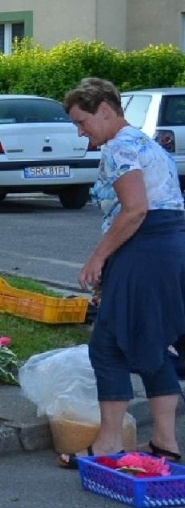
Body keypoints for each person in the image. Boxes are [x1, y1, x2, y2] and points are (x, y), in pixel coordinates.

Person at [63, 77, 185, 466]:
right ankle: (164, 442)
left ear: (104, 110)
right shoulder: (146, 142)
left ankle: (108, 444)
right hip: (168, 246)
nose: (81, 132)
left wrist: (97, 258)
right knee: (153, 339)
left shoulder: (119, 147)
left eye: (82, 122)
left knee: (107, 345)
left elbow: (135, 209)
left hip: (145, 247)